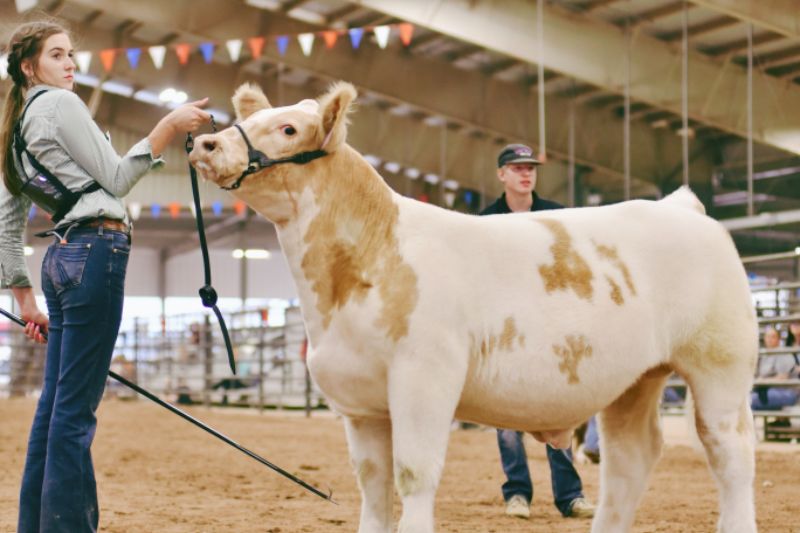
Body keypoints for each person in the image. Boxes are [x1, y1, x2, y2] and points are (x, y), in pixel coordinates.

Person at [0, 21, 210, 532]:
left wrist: (24, 298)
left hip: (59, 262)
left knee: (55, 411)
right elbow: (116, 178)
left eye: (71, 54)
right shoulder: (61, 105)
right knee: (74, 415)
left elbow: (7, 222)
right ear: (30, 67)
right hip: (96, 251)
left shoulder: (15, 129)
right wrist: (169, 126)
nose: (70, 63)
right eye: (57, 55)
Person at [479, 144, 595, 520]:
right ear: (502, 174)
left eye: (529, 168)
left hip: (552, 324)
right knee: (508, 414)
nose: (525, 174)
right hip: (507, 328)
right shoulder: (485, 221)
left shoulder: (557, 216)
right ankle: (517, 493)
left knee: (557, 405)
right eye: (516, 168)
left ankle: (570, 495)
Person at [751, 325, 800, 411]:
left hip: (787, 392)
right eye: (768, 336)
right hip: (769, 390)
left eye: (773, 337)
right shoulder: (764, 355)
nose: (770, 339)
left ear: (779, 339)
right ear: (764, 338)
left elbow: (783, 378)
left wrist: (762, 381)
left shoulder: (783, 353)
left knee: (751, 399)